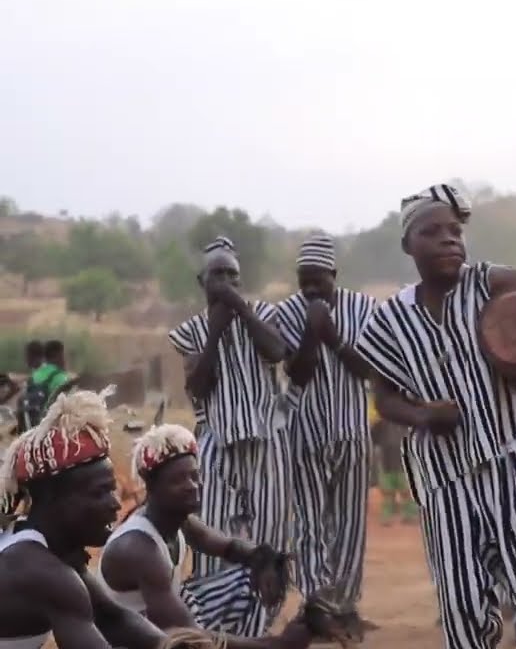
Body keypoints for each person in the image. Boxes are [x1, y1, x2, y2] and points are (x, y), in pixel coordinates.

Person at [353, 184, 516, 649]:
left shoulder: (492, 283)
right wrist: (422, 415)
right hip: (446, 482)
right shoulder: (389, 321)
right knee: (463, 612)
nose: (449, 240)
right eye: (432, 232)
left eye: (455, 230)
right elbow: (384, 400)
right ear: (408, 245)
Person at [0, 389, 315, 649]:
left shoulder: (51, 554)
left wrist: (177, 646)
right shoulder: (44, 572)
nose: (114, 504)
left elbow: (114, 619)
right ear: (55, 500)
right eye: (99, 493)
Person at [168, 236, 291, 637]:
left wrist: (240, 311)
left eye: (232, 276)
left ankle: (257, 632)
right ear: (200, 280)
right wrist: (215, 333)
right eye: (217, 275)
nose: (225, 282)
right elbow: (198, 388)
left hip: (267, 443)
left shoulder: (263, 313)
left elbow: (276, 352)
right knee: (213, 543)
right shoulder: (192, 331)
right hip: (216, 446)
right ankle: (215, 633)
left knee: (269, 544)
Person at [97, 423, 293, 638]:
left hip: (163, 622)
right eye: (178, 480)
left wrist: (265, 558)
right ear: (152, 486)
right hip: (134, 639)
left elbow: (229, 547)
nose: (192, 485)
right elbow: (184, 632)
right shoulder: (139, 548)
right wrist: (269, 646)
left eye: (194, 475)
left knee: (252, 575)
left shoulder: (178, 521)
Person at [276, 232, 377, 635]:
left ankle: (347, 605)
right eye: (305, 279)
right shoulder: (285, 313)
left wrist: (332, 335)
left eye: (319, 278)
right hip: (306, 432)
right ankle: (317, 605)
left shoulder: (364, 308)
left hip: (352, 430)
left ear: (334, 273)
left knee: (352, 521)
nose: (312, 287)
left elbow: (369, 368)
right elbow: (295, 372)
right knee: (310, 522)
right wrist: (311, 333)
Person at [368, 391, 415, 527]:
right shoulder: (381, 421)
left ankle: (409, 514)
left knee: (406, 489)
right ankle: (388, 515)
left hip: (403, 459)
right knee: (388, 492)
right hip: (387, 459)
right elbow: (373, 438)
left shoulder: (406, 419)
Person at [19, 340, 72, 433]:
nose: (65, 360)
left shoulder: (35, 375)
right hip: (51, 428)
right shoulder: (60, 377)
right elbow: (67, 406)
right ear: (58, 356)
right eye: (63, 356)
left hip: (32, 427)